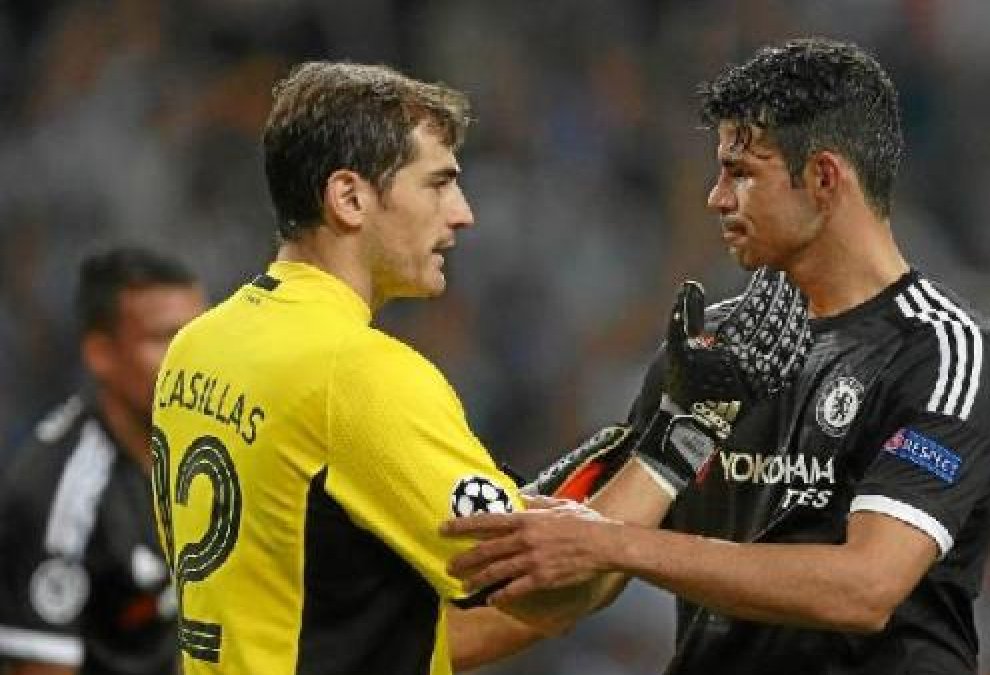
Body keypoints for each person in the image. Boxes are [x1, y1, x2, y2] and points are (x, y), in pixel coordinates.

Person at [148, 61, 802, 675]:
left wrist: (607, 472)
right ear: (349, 197)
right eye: (437, 182)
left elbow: (414, 630)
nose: (462, 213)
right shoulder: (359, 376)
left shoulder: (200, 345)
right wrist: (676, 446)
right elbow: (559, 590)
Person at [444, 37, 990, 675]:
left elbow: (867, 587)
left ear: (824, 178)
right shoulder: (710, 353)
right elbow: (583, 578)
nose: (716, 198)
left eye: (741, 172)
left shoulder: (944, 351)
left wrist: (617, 546)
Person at [0, 248, 207, 675]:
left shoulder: (218, 455)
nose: (190, 356)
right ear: (101, 354)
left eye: (199, 334)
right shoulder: (57, 489)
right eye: (163, 337)